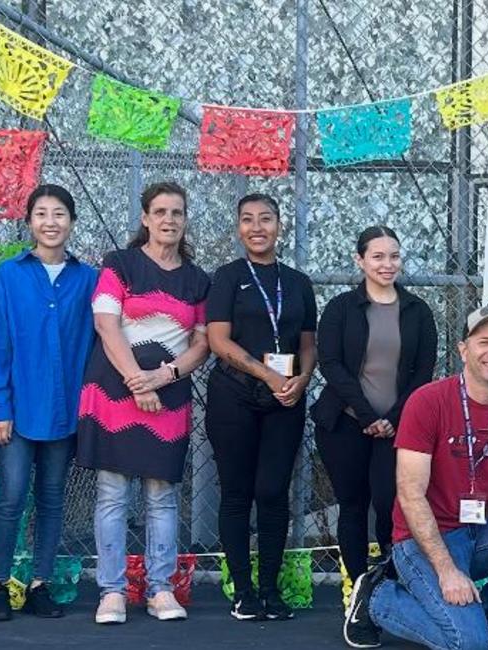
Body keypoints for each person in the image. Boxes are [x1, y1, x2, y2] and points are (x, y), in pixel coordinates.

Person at [343, 307, 488, 650]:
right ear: (463, 350)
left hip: (477, 530)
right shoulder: (428, 401)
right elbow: (409, 494)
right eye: (483, 342)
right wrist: (447, 570)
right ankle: (378, 599)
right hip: (423, 539)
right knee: (466, 643)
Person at [78, 181, 211, 624]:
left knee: (163, 497)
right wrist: (138, 381)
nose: (168, 220)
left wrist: (167, 375)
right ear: (145, 218)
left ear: (185, 219)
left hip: (169, 399)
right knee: (113, 495)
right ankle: (111, 592)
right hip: (115, 393)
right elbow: (106, 324)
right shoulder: (120, 264)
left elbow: (202, 342)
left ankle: (160, 588)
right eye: (160, 212)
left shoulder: (197, 279)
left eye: (177, 212)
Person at [0, 185, 98, 621]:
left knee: (51, 499)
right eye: (42, 214)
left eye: (60, 214)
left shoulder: (88, 279)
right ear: (28, 221)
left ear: (71, 221)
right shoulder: (9, 276)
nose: (51, 222)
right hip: (17, 411)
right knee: (11, 498)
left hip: (65, 411)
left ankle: (39, 584)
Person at [203, 194, 319, 621]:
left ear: (279, 225)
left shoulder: (298, 282)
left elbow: (308, 344)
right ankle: (243, 592)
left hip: (285, 398)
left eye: (265, 219)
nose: (257, 227)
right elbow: (218, 340)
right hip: (234, 395)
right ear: (238, 228)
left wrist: (302, 380)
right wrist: (267, 376)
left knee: (273, 492)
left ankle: (271, 589)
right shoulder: (228, 277)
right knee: (237, 493)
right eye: (248, 220)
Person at [316, 225, 439, 625]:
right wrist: (368, 417)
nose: (387, 264)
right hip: (347, 424)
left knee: (391, 504)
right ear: (360, 260)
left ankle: (389, 585)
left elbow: (423, 370)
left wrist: (393, 419)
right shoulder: (341, 308)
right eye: (378, 257)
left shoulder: (418, 311)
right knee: (352, 506)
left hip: (398, 428)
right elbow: (331, 364)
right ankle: (356, 590)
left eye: (394, 256)